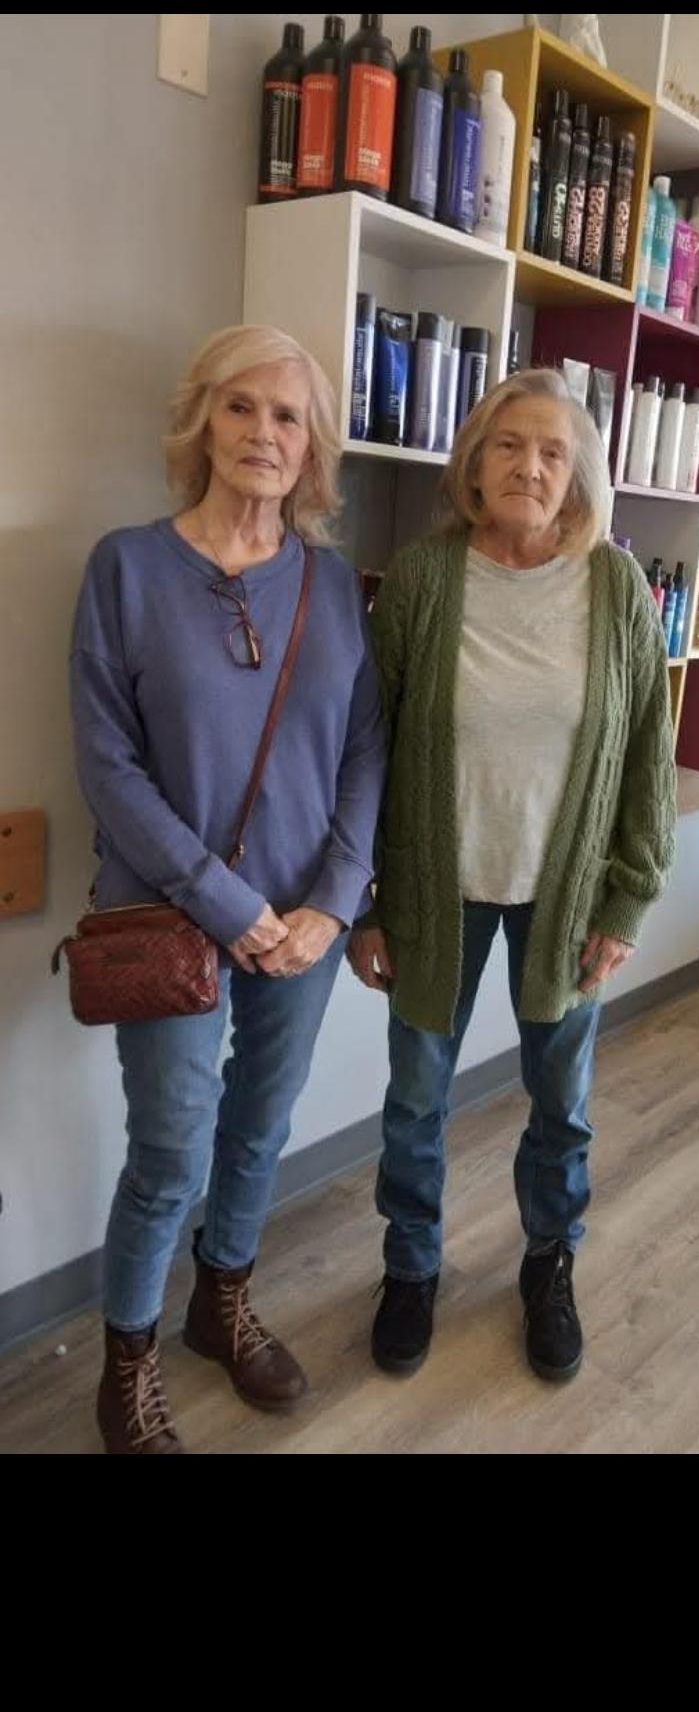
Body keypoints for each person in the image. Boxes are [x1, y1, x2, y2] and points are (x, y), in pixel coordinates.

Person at [70, 325, 385, 1454]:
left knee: (259, 1129)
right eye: (241, 406)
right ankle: (128, 1365)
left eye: (287, 415)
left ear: (313, 447)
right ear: (201, 422)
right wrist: (226, 904)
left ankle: (222, 1305)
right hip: (169, 917)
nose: (263, 432)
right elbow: (108, 766)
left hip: (303, 923)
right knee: (170, 1152)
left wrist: (334, 900)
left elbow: (364, 749)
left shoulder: (335, 586)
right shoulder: (126, 568)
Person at [350, 367, 676, 1383]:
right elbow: (367, 746)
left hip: (565, 895)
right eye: (509, 444)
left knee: (560, 1103)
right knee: (415, 1100)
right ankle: (411, 1267)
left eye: (552, 451)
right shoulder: (422, 578)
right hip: (428, 891)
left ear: (577, 473)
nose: (529, 466)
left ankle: (549, 1263)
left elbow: (647, 751)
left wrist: (627, 897)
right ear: (475, 462)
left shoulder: (615, 586)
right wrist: (362, 902)